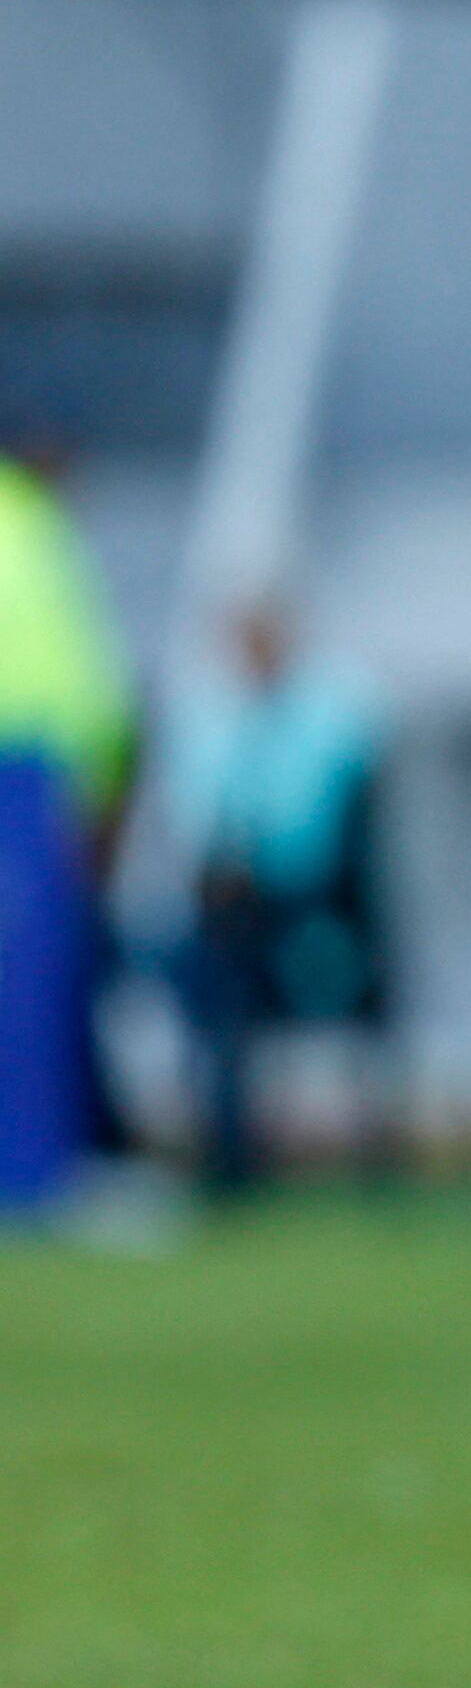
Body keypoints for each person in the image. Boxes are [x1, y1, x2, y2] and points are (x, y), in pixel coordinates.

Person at [166, 605, 393, 1194]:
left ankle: (369, 1157)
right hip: (238, 920)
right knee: (203, 977)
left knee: (322, 982)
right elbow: (200, 825)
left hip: (314, 911)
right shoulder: (213, 718)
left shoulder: (331, 715)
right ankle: (228, 1154)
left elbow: (322, 830)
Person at [0, 446, 134, 1211]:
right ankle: (47, 1163)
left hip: (30, 772)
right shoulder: (35, 533)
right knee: (40, 978)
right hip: (28, 777)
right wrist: (104, 790)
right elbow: (88, 687)